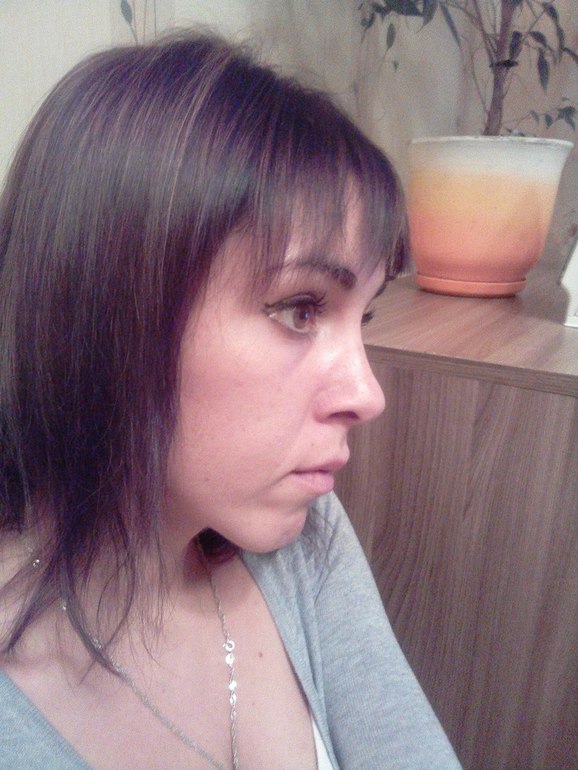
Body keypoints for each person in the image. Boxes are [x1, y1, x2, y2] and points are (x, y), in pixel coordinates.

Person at [0, 33, 462, 770]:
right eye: (301, 309)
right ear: (105, 314)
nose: (367, 395)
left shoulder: (305, 538)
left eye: (364, 317)